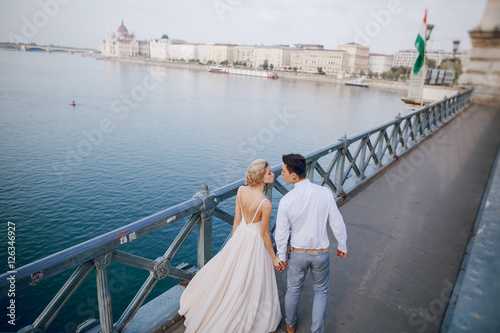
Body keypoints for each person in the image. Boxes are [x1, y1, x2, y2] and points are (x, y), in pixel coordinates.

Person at [179, 159, 283, 333]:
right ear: (260, 178)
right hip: (254, 241)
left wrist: (235, 245)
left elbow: (236, 221)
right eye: (269, 172)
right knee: (252, 279)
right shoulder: (265, 204)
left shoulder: (241, 190)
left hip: (240, 235)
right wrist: (273, 257)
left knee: (232, 274)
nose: (273, 174)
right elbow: (264, 234)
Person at [275, 153, 348, 333]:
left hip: (298, 254)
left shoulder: (286, 201)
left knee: (292, 291)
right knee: (321, 292)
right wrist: (342, 244)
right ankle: (317, 331)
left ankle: (290, 326)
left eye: (283, 171)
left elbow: (282, 233)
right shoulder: (324, 193)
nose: (281, 174)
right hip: (320, 253)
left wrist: (281, 256)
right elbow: (336, 221)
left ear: (294, 175)